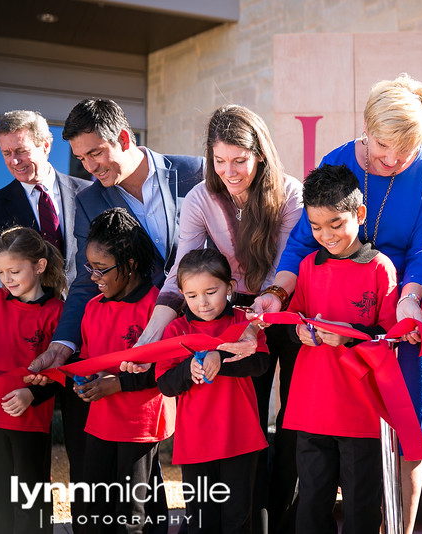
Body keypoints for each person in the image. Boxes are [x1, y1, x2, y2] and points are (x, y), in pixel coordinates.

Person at [260, 73, 422, 533]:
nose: (391, 160)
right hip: (344, 317)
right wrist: (276, 293)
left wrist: (409, 302)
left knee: (407, 437)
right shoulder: (340, 160)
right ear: (365, 127)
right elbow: (306, 238)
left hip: (405, 309)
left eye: (403, 153)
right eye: (382, 148)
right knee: (346, 443)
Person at [129, 104, 302, 533]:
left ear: (259, 154)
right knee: (249, 424)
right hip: (234, 316)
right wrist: (150, 336)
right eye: (220, 161)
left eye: (239, 160)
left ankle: (282, 522)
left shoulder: (289, 193)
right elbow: (181, 268)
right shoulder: (200, 198)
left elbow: (289, 264)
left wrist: (260, 316)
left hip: (283, 307)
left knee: (294, 425)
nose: (230, 171)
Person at [25, 97, 205, 379]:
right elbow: (87, 279)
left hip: (203, 331)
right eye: (81, 159)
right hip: (140, 349)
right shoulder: (88, 201)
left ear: (122, 138)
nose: (89, 167)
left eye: (95, 153)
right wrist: (63, 343)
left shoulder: (194, 172)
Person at [282, 164, 398, 534]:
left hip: (361, 412)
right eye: (316, 227)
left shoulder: (381, 268)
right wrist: (299, 331)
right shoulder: (307, 266)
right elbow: (291, 323)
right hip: (310, 408)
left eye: (335, 224)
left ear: (359, 214)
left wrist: (352, 334)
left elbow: (390, 336)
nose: (326, 235)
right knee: (312, 503)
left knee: (361, 507)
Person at [73, 208, 175, 532]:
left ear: (130, 264)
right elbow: (88, 360)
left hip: (139, 426)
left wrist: (117, 384)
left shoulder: (157, 308)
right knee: (91, 510)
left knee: (131, 516)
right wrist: (84, 382)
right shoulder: (91, 308)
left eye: (101, 269)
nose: (93, 276)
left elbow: (165, 368)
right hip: (99, 423)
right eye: (91, 267)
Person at [156, 248, 272, 534]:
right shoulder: (175, 331)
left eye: (211, 291)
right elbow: (165, 384)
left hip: (240, 439)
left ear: (230, 288)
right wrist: (187, 370)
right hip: (197, 443)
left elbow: (261, 363)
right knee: (200, 519)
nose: (202, 303)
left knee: (237, 518)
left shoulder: (244, 324)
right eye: (192, 295)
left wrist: (220, 358)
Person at [0, 227, 65, 533]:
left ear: (39, 266)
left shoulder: (56, 312)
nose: (6, 279)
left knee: (29, 498)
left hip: (29, 421)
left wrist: (30, 396)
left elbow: (61, 370)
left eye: (14, 270)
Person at [0, 110, 92, 287]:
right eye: (7, 153)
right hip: (29, 311)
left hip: (85, 307)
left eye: (21, 151)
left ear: (45, 146)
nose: (14, 161)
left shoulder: (89, 193)